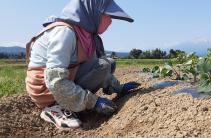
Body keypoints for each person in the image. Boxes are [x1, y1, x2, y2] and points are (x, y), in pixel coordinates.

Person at [25, 0, 140, 129]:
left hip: (61, 80)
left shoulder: (87, 36)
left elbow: (97, 66)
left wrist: (118, 88)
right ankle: (55, 108)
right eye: (108, 15)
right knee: (103, 66)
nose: (111, 21)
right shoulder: (64, 32)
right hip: (45, 88)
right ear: (93, 13)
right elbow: (54, 80)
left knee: (107, 63)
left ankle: (72, 103)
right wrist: (92, 102)